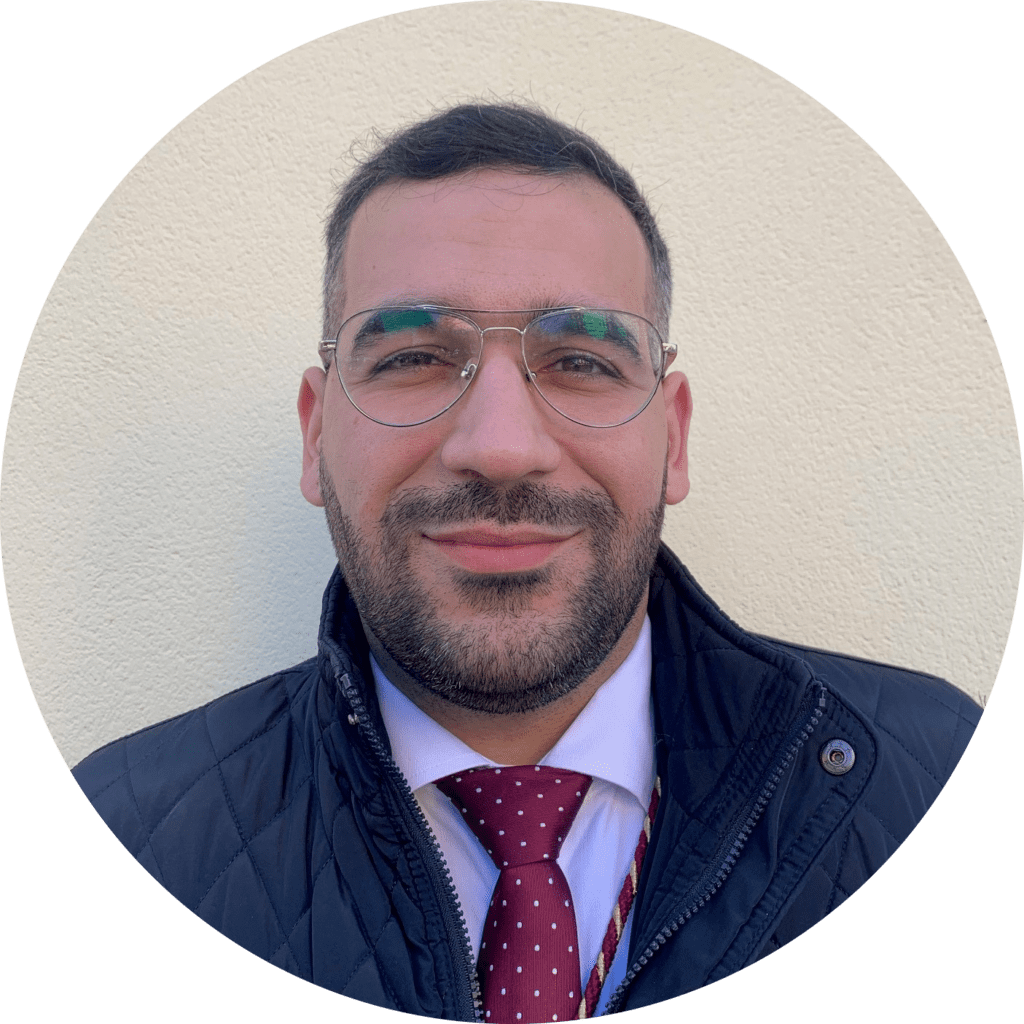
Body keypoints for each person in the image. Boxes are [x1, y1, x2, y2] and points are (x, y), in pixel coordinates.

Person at [73, 102, 980, 1021]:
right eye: (415, 357)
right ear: (316, 439)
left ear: (673, 440)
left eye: (582, 361)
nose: (501, 447)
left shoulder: (945, 789)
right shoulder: (114, 845)